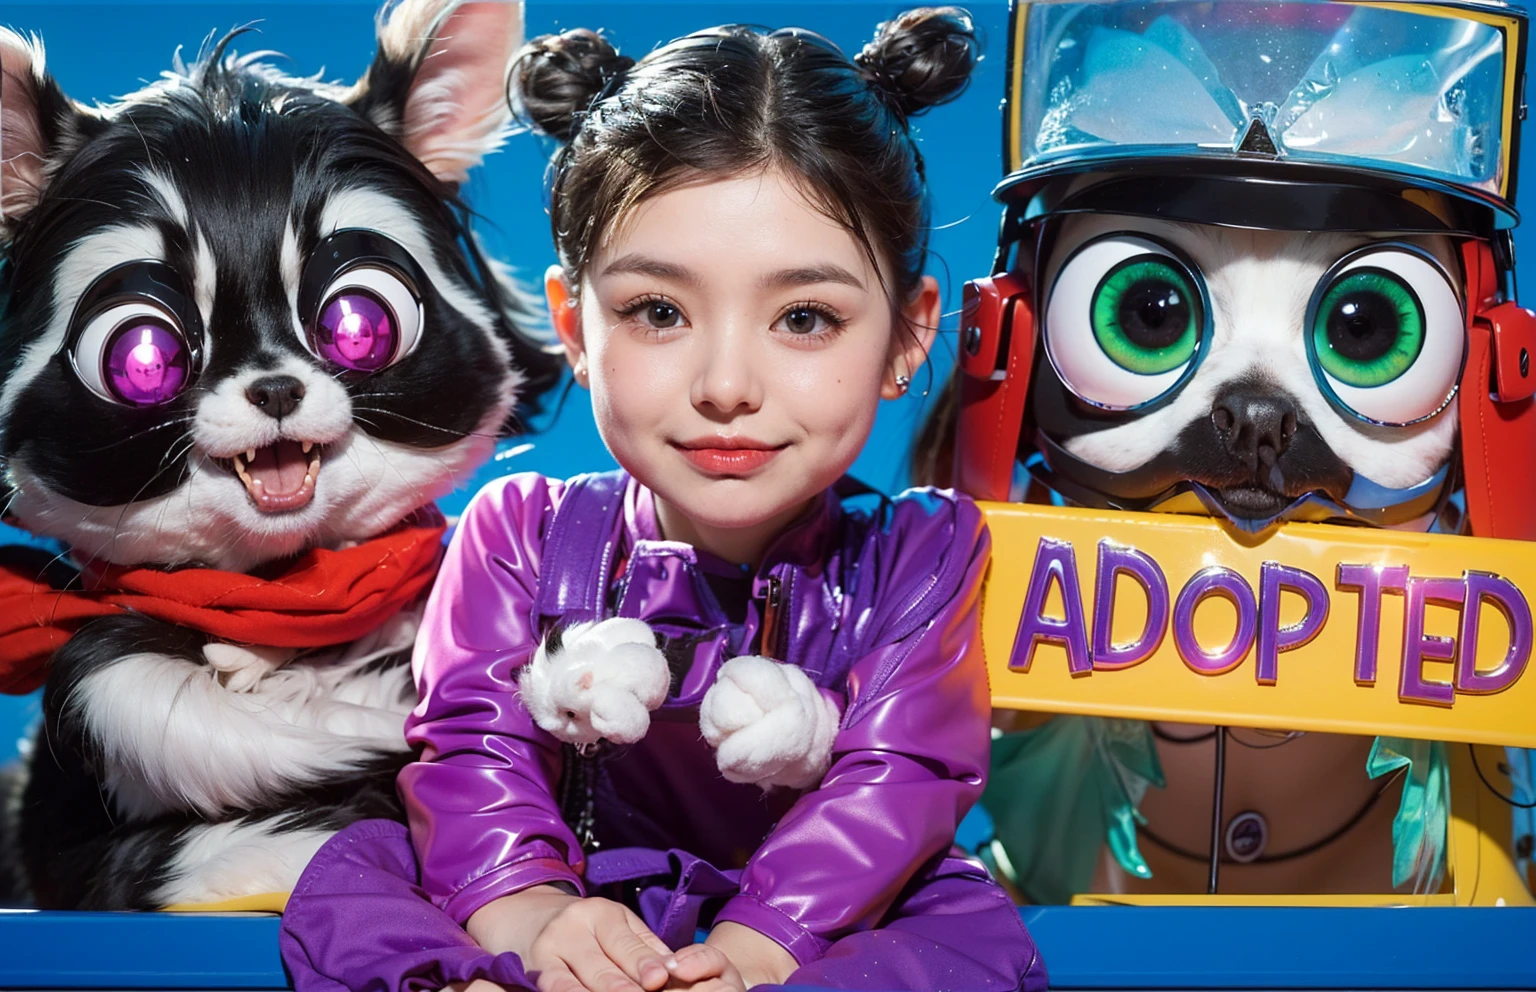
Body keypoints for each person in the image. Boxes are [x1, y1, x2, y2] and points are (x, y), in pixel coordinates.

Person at [279, 10, 1046, 992]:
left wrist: (755, 947)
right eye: (659, 312)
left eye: (804, 317)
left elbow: (899, 776)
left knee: (961, 926)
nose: (726, 383)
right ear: (575, 324)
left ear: (906, 334)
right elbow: (474, 738)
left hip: (820, 918)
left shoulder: (920, 550)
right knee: (360, 867)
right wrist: (530, 908)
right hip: (575, 883)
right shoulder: (524, 530)